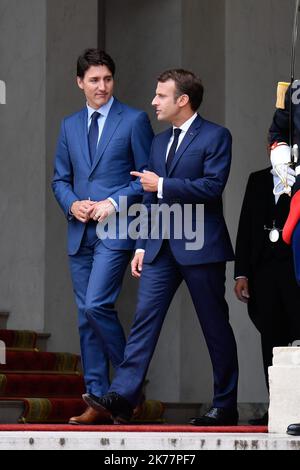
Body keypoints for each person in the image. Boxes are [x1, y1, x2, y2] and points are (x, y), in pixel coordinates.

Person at [82, 68, 239, 426]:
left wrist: (164, 184)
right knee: (143, 323)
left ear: (182, 100)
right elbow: (150, 200)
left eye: (161, 95)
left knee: (214, 326)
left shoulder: (217, 136)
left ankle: (225, 405)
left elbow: (212, 188)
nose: (153, 101)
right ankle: (123, 396)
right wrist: (140, 245)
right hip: (159, 248)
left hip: (202, 247)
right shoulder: (156, 141)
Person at [52, 49, 153, 424]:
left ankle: (128, 386)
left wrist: (113, 201)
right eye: (94, 80)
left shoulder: (135, 120)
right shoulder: (68, 126)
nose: (102, 86)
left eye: (107, 79)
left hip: (117, 228)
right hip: (79, 231)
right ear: (80, 82)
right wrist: (72, 204)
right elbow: (59, 179)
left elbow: (145, 180)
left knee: (96, 305)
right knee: (85, 316)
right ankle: (98, 399)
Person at [234, 164, 300, 426]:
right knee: (271, 339)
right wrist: (241, 273)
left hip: (295, 270)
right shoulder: (257, 179)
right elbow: (246, 224)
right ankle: (277, 406)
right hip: (263, 271)